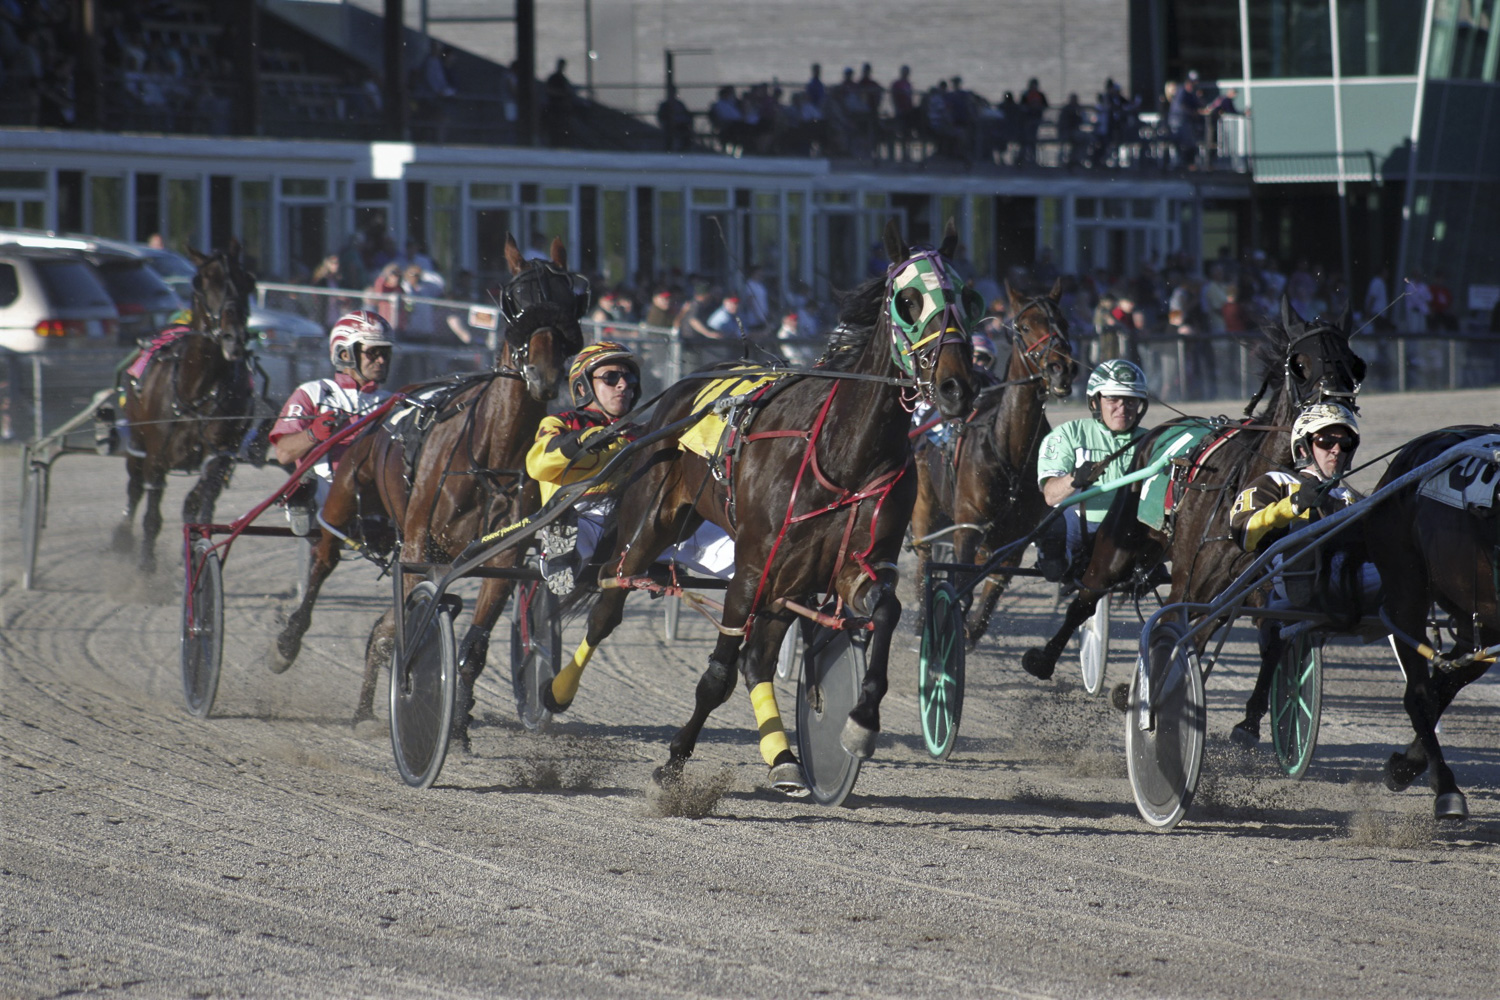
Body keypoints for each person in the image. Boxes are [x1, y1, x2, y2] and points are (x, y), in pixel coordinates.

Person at [527, 342, 733, 596]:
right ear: (582, 387)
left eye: (629, 377)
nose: (623, 384)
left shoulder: (645, 433)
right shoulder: (563, 423)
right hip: (581, 510)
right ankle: (562, 555)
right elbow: (538, 464)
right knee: (578, 535)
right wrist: (584, 440)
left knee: (728, 549)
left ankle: (765, 576)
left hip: (643, 518)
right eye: (611, 377)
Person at [1227, 402, 1376, 745]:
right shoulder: (1275, 481)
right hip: (1295, 585)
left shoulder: (1350, 496)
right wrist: (1292, 506)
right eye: (1326, 441)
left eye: (1345, 443)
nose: (1336, 450)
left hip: (1352, 586)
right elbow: (1243, 532)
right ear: (1303, 446)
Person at [268, 310, 395, 536]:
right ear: (345, 353)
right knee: (311, 480)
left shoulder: (391, 401)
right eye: (374, 352)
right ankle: (300, 499)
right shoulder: (313, 393)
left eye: (385, 352)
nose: (381, 360)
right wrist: (313, 434)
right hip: (324, 492)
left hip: (375, 492)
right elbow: (284, 454)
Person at [1033, 360, 1151, 584]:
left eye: (1130, 400)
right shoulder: (1068, 434)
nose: (1122, 407)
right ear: (1096, 402)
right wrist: (1074, 479)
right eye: (1112, 399)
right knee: (1051, 528)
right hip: (1078, 522)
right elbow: (1050, 495)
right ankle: (1065, 567)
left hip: (1131, 527)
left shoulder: (1153, 440)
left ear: (1141, 404)